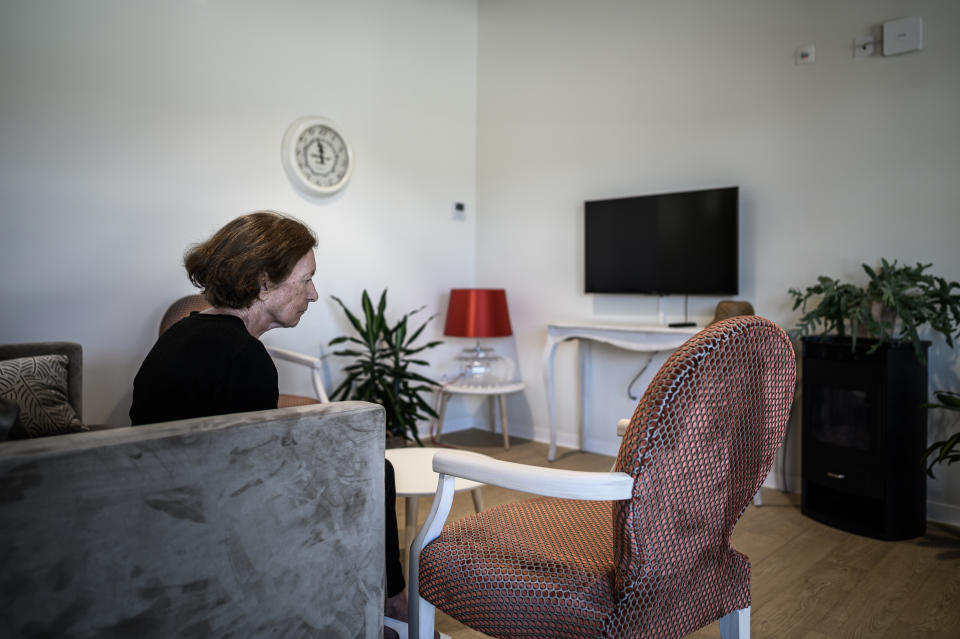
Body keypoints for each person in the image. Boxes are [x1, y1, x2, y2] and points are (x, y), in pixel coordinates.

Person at [130, 211, 407, 634]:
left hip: (164, 512)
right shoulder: (244, 357)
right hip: (209, 529)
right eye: (306, 279)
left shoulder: (182, 335)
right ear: (263, 283)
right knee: (375, 469)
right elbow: (252, 492)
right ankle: (391, 606)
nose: (313, 294)